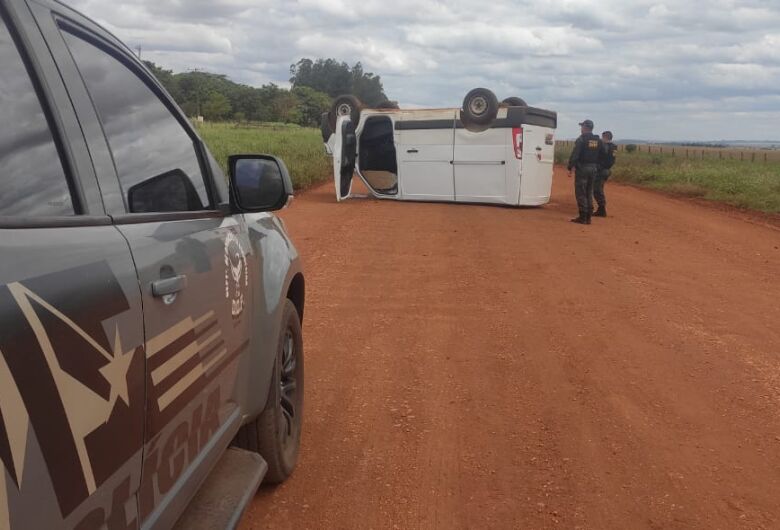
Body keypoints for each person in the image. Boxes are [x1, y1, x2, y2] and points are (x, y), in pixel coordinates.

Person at [567, 119, 603, 224]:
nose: (581, 129)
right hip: (593, 169)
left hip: (583, 168)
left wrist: (571, 167)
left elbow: (575, 155)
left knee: (581, 192)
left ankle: (582, 217)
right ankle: (588, 217)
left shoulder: (582, 139)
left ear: (585, 128)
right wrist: (597, 166)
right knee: (589, 191)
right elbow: (602, 155)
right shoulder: (598, 140)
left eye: (582, 126)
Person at [593, 131, 617, 217]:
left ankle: (602, 209)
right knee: (599, 188)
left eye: (602, 137)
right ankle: (601, 209)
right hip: (605, 170)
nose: (601, 139)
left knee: (597, 189)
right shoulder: (613, 147)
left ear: (605, 137)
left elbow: (609, 161)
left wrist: (599, 167)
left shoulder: (608, 147)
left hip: (602, 170)